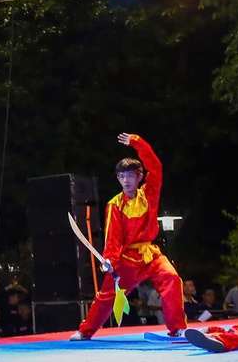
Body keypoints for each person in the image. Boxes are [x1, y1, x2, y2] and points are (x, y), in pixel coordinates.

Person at [71, 133, 186, 340]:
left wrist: (137, 142)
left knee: (171, 278)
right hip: (127, 259)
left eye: (130, 176)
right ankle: (85, 331)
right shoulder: (115, 205)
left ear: (139, 177)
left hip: (150, 254)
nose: (125, 180)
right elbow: (112, 238)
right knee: (108, 294)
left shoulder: (149, 194)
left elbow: (156, 167)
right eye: (121, 177)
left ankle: (177, 328)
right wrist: (109, 261)